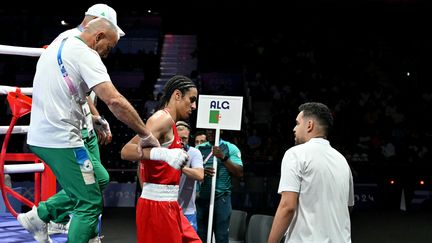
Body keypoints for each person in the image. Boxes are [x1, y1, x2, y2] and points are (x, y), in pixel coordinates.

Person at [18, 18, 187, 243]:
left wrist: (94, 117)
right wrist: (146, 135)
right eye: (110, 45)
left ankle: (40, 215)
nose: (110, 52)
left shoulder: (62, 41)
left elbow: (74, 90)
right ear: (98, 36)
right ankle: (50, 220)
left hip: (47, 132)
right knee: (89, 202)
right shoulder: (86, 54)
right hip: (60, 138)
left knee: (100, 178)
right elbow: (115, 101)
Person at [46, 3, 123, 235]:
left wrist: (96, 116)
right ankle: (45, 214)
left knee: (97, 182)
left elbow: (79, 90)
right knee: (90, 192)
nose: (109, 48)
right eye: (109, 40)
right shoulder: (72, 43)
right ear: (97, 27)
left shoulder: (79, 44)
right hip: (71, 129)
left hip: (85, 124)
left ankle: (49, 215)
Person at [120, 75, 202, 243]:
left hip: (169, 204)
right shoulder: (161, 119)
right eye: (192, 100)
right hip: (158, 206)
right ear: (177, 95)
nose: (194, 106)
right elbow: (126, 151)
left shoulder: (171, 123)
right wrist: (163, 154)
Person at [267, 102, 355, 243]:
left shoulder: (295, 154)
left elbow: (287, 206)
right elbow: (348, 206)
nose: (294, 128)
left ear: (309, 125)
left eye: (297, 123)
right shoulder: (342, 160)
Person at [195, 129, 244, 243]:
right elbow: (191, 170)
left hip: (222, 199)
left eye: (213, 130)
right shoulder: (199, 149)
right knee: (200, 237)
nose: (210, 132)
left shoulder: (230, 148)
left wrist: (223, 157)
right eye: (208, 129)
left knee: (221, 237)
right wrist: (201, 171)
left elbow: (239, 173)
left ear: (220, 130)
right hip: (202, 199)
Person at [177, 121, 204, 232]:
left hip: (187, 211)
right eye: (179, 138)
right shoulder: (164, 151)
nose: (182, 142)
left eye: (185, 138)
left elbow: (200, 175)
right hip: (165, 209)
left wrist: (181, 167)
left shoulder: (194, 152)